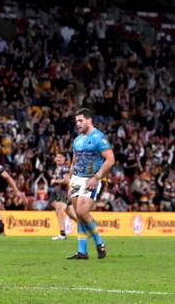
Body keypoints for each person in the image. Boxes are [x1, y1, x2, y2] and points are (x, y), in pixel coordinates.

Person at [67, 108, 115, 259]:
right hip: (76, 179)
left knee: (82, 212)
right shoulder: (77, 140)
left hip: (91, 179)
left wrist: (97, 177)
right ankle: (82, 252)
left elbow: (110, 159)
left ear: (89, 120)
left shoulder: (98, 137)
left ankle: (99, 242)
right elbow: (74, 162)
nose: (78, 124)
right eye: (77, 122)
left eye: (81, 121)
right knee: (78, 215)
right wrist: (70, 181)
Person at [49, 152, 77, 240]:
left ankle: (62, 234)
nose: (58, 159)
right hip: (59, 193)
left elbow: (66, 180)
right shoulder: (56, 169)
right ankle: (89, 229)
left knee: (59, 211)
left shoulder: (64, 168)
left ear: (64, 159)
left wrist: (55, 182)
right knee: (72, 215)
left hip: (64, 192)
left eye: (60, 157)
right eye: (57, 157)